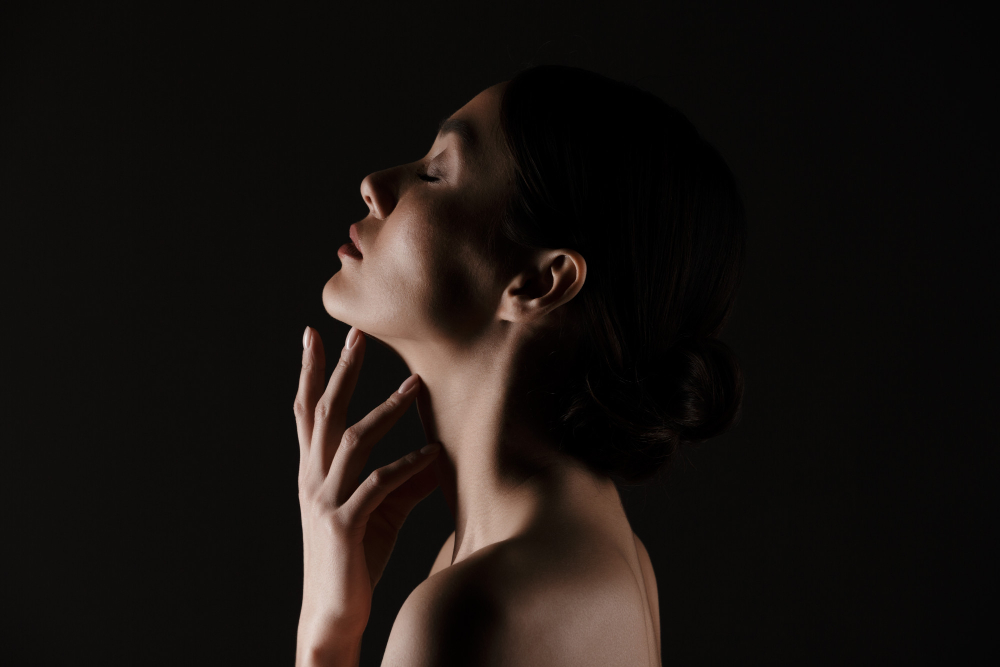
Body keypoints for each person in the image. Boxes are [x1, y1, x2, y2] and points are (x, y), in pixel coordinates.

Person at [292, 65, 746, 667]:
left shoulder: (476, 606)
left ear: (540, 279)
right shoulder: (589, 547)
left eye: (435, 173)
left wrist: (325, 632)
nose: (374, 184)